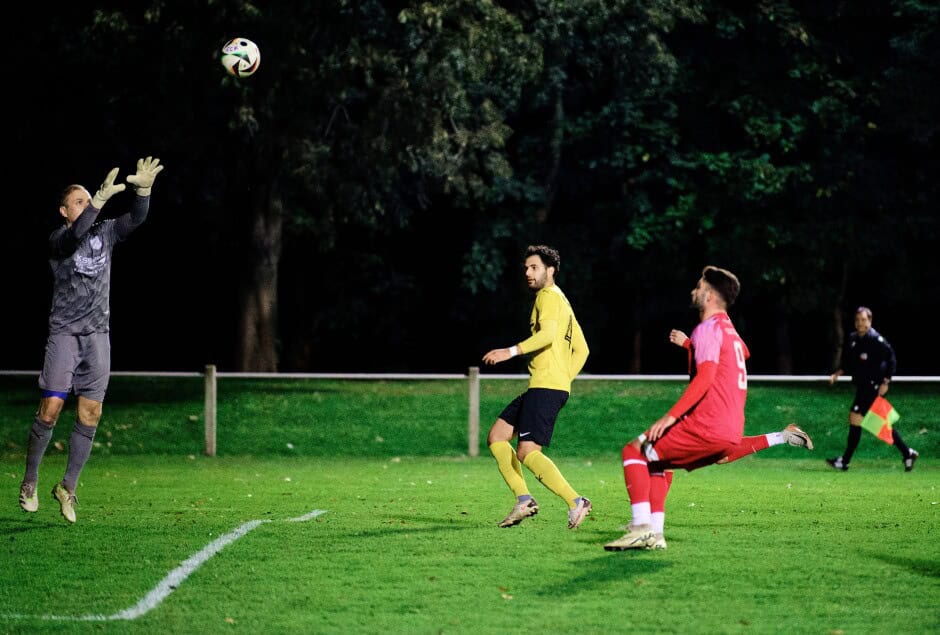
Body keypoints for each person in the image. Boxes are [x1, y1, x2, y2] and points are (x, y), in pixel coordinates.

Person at [604, 266, 813, 551]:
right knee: (659, 461)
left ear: (710, 295)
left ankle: (642, 528)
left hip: (708, 420)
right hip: (730, 424)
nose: (694, 290)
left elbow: (704, 378)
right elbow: (742, 351)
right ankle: (655, 533)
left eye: (699, 286)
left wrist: (670, 416)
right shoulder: (727, 328)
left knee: (635, 451)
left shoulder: (708, 328)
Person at [18, 156, 165, 523]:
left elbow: (136, 219)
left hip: (98, 334)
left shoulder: (106, 232)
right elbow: (73, 238)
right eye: (79, 201)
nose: (88, 205)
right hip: (65, 333)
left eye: (90, 200)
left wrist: (143, 192)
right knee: (51, 408)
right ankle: (30, 481)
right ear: (64, 211)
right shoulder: (59, 238)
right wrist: (97, 198)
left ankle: (68, 487)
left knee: (91, 412)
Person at [482, 245, 592, 530]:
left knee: (527, 452)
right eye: (526, 268)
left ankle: (575, 501)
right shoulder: (563, 301)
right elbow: (582, 350)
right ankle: (523, 500)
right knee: (497, 437)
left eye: (534, 268)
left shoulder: (547, 297)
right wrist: (563, 378)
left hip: (546, 386)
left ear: (550, 270)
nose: (528, 273)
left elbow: (548, 335)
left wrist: (511, 351)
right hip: (547, 385)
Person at [826, 306, 918, 472]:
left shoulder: (876, 340)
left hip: (872, 387)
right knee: (873, 423)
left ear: (870, 321)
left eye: (864, 320)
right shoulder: (854, 338)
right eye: (858, 320)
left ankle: (845, 461)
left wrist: (886, 381)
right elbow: (849, 361)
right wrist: (838, 373)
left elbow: (891, 358)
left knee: (860, 420)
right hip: (862, 386)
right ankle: (907, 453)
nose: (861, 323)